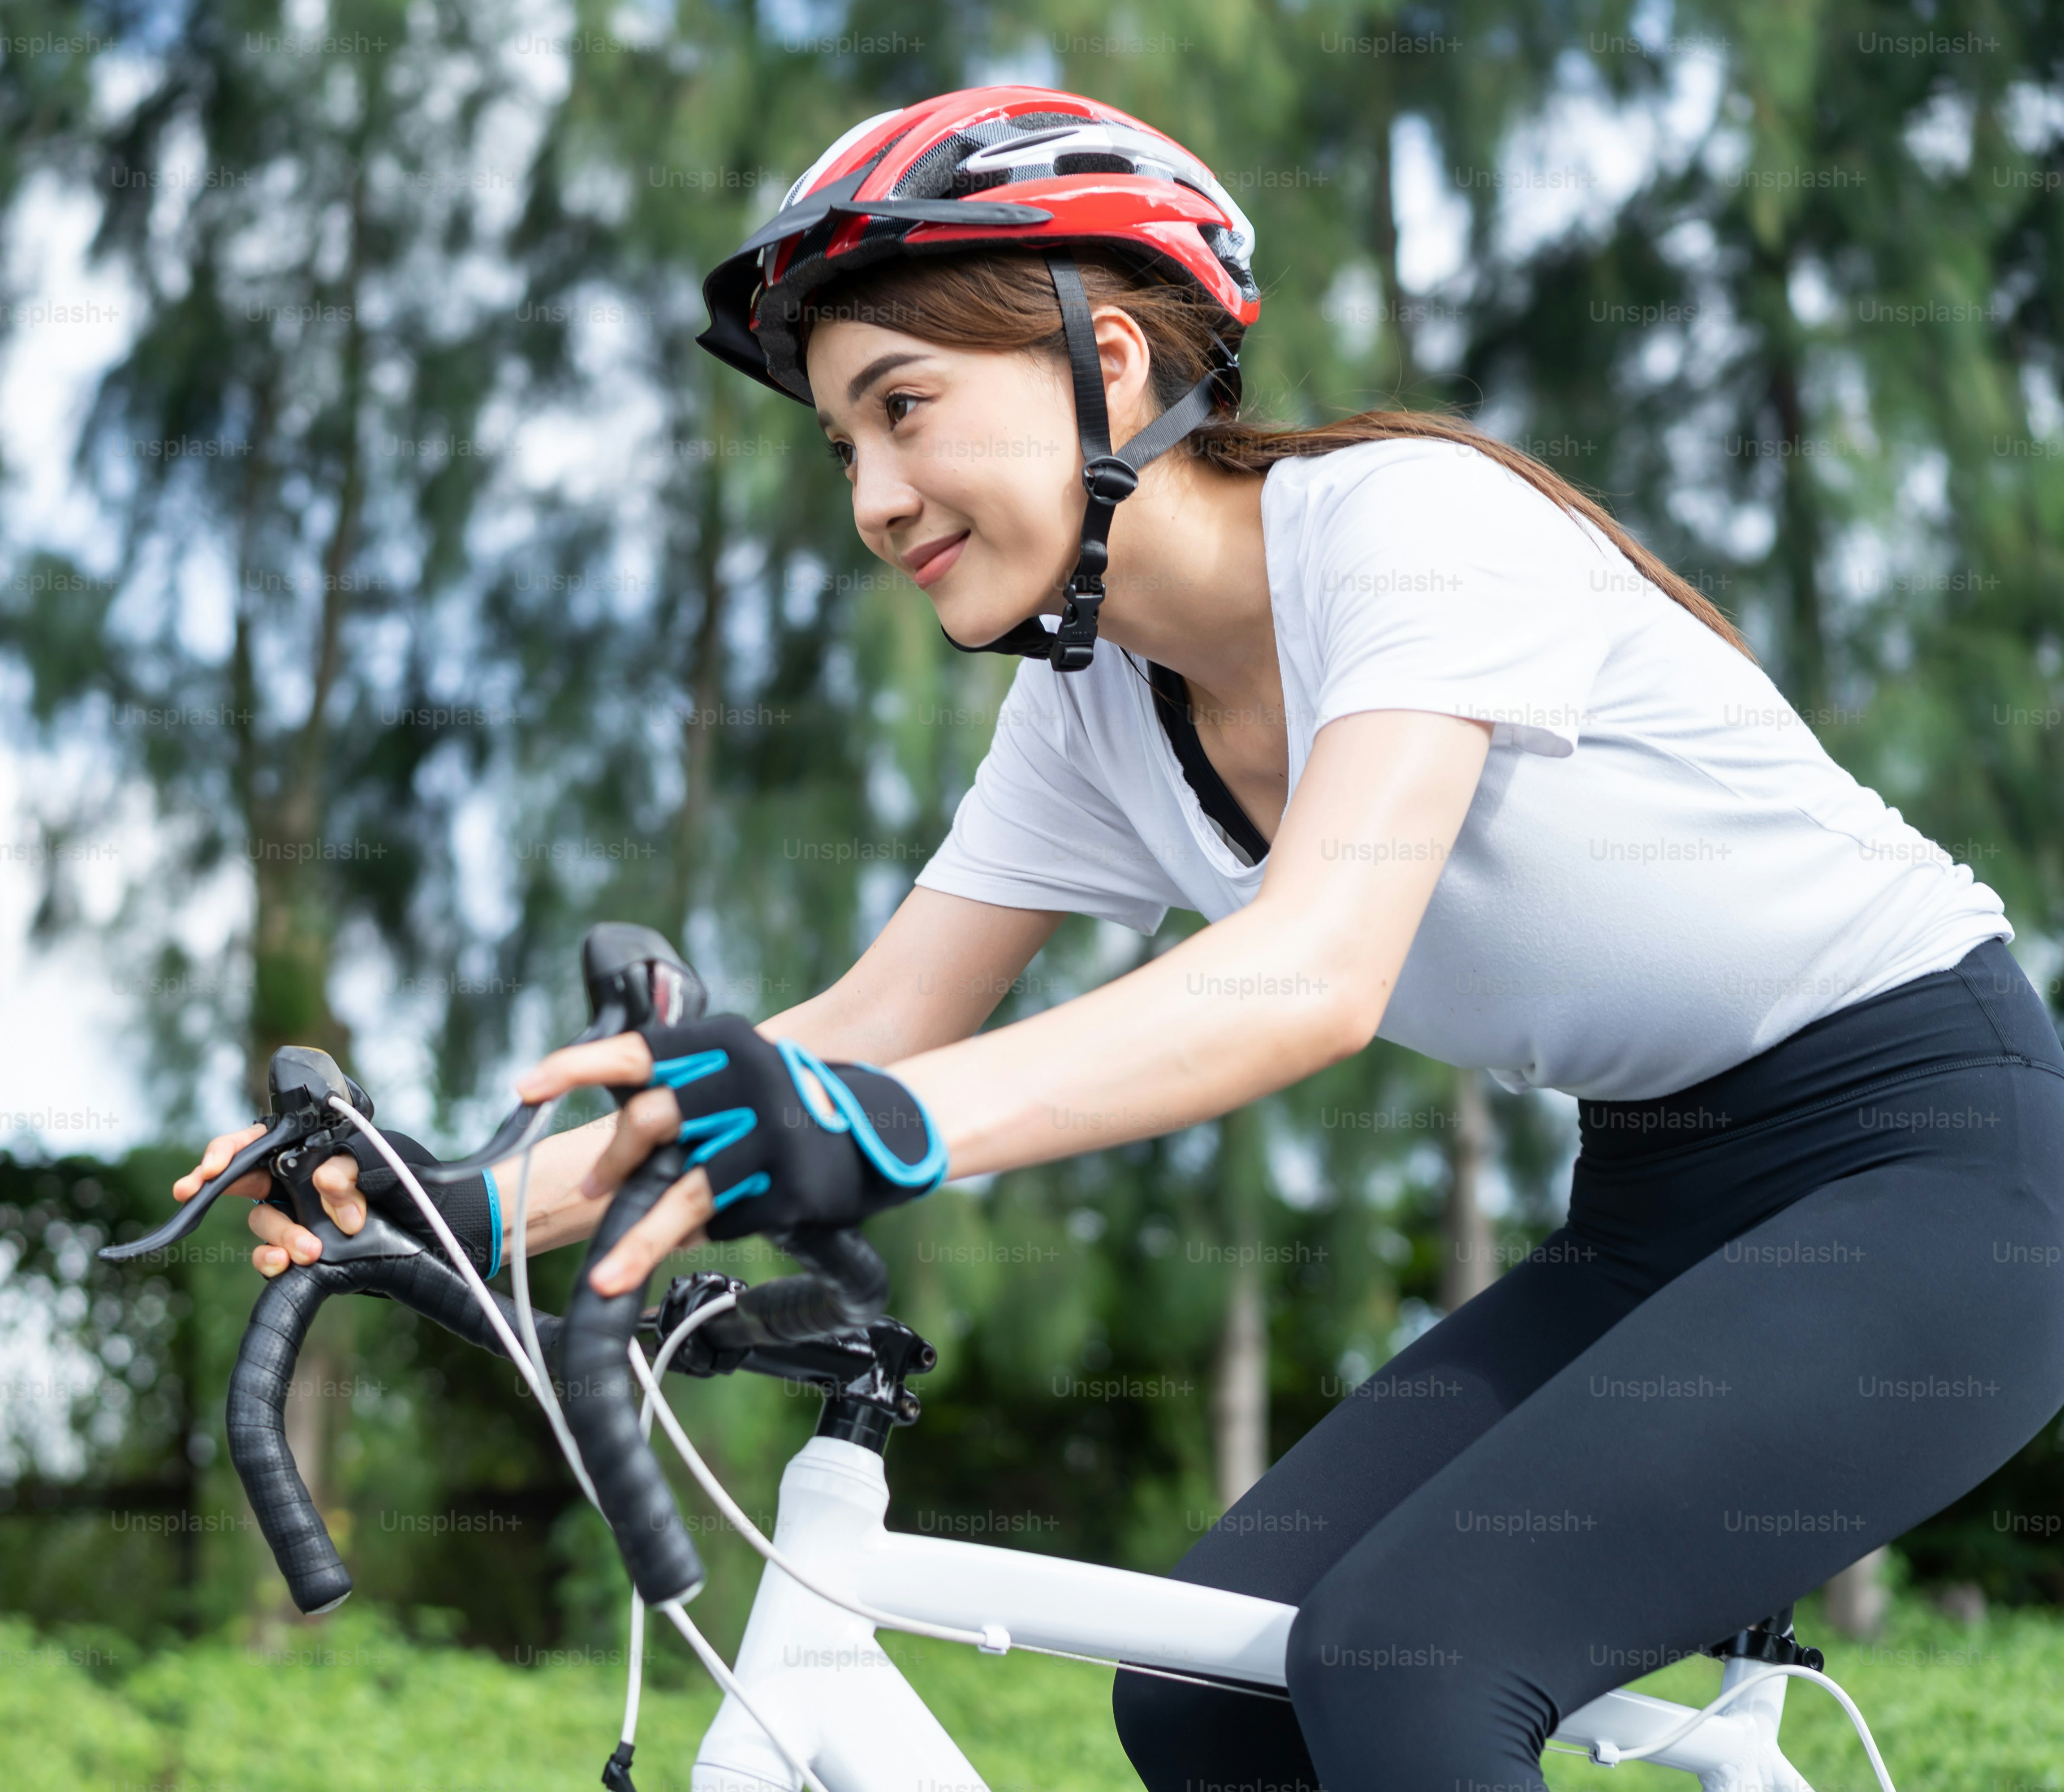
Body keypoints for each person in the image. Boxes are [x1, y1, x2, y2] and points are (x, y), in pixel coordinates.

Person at [175, 85, 2064, 1792]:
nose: (875, 498)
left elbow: (1308, 973)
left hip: (1940, 1162)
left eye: (904, 408)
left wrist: (892, 1128)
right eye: (843, 446)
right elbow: (867, 1024)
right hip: (1657, 1208)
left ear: (1114, 354)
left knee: (1420, 1667)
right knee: (1205, 1698)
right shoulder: (1091, 713)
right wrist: (462, 1204)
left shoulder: (1404, 531)